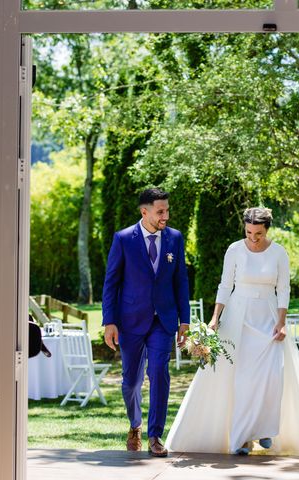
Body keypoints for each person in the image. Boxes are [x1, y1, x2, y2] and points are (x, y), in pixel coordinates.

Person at [165, 207, 299, 456]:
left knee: (272, 376)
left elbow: (283, 289)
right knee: (239, 379)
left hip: (268, 318)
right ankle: (240, 439)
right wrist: (215, 318)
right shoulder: (235, 250)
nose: (253, 237)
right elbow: (225, 284)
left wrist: (281, 321)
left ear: (267, 230)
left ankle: (264, 429)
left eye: (258, 233)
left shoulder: (279, 253)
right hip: (238, 318)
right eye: (249, 232)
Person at [102, 188, 190, 457]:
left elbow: (181, 280)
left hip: (163, 320)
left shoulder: (175, 238)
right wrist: (110, 321)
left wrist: (184, 320)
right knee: (130, 381)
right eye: (160, 211)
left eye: (167, 210)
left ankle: (155, 435)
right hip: (130, 321)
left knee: (159, 373)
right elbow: (112, 282)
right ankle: (135, 424)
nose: (166, 215)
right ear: (145, 211)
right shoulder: (124, 238)